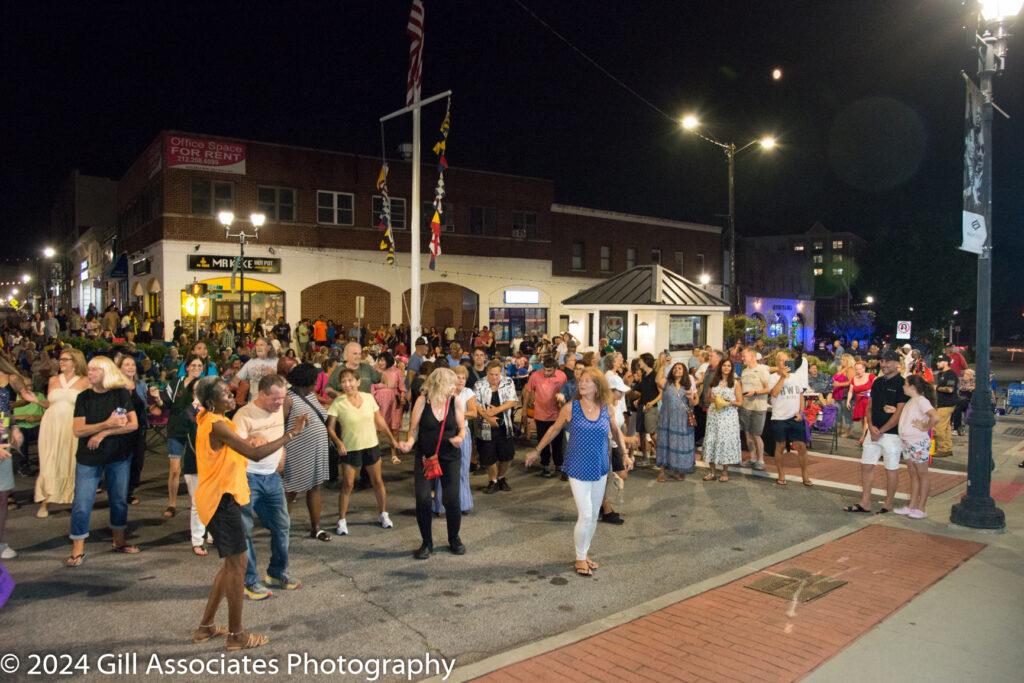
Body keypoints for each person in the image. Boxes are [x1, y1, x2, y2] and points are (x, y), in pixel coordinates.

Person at [191, 376, 307, 651]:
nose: (232, 395)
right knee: (238, 567)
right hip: (222, 501)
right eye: (225, 394)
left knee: (230, 567)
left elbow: (235, 453)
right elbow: (253, 455)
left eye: (230, 391)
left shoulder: (213, 419)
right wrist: (291, 434)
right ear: (210, 402)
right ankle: (236, 635)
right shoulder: (217, 425)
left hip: (222, 497)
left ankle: (205, 627)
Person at [525, 368, 630, 577]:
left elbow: (616, 431)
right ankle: (580, 557)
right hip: (577, 466)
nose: (582, 384)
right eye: (581, 381)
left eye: (588, 382)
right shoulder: (571, 408)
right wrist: (537, 450)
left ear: (598, 386)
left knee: (592, 517)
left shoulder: (606, 408)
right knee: (587, 513)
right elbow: (554, 429)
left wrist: (625, 454)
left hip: (600, 466)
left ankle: (584, 553)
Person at [66, 356, 140, 567]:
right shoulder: (84, 398)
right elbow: (78, 430)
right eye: (89, 370)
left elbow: (132, 424)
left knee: (118, 499)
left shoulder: (120, 394)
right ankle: (78, 547)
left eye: (95, 370)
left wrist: (102, 434)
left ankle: (119, 540)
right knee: (82, 503)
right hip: (89, 459)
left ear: (106, 372)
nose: (90, 373)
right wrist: (107, 424)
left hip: (118, 456)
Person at [233, 374, 299, 600]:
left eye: (283, 398)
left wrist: (283, 454)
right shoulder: (243, 416)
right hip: (248, 478)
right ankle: (250, 581)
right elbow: (238, 448)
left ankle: (277, 572)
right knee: (245, 531)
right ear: (261, 394)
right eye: (275, 399)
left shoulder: (281, 406)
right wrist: (252, 438)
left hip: (272, 478)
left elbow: (280, 429)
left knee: (282, 525)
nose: (280, 403)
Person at [398, 368, 466, 559]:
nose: (455, 387)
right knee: (423, 499)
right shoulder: (422, 401)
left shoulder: (455, 401)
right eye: (452, 384)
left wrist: (460, 438)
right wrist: (409, 443)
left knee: (451, 499)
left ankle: (454, 538)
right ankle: (426, 543)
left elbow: (462, 428)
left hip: (450, 456)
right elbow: (413, 430)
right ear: (440, 384)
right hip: (426, 457)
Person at [326, 368, 401, 536]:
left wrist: (391, 438)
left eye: (350, 380)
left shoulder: (368, 398)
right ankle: (342, 520)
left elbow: (379, 420)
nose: (347, 384)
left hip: (371, 445)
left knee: (377, 481)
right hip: (350, 448)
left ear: (358, 382)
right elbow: (330, 428)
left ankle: (383, 514)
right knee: (348, 485)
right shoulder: (338, 402)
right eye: (344, 382)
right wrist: (338, 442)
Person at [845, 350, 906, 515]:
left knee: (891, 468)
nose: (884, 364)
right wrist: (870, 426)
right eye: (882, 361)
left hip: (892, 434)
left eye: (887, 361)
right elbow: (869, 406)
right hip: (873, 432)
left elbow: (899, 411)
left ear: (897, 364)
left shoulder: (902, 383)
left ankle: (888, 503)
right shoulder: (878, 381)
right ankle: (865, 502)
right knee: (866, 465)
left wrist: (882, 430)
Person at [30, 348, 89, 518]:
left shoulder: (85, 381)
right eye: (60, 359)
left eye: (65, 359)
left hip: (71, 425)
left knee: (70, 460)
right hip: (50, 426)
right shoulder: (53, 380)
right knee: (49, 461)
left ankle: (72, 498)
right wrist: (35, 400)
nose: (61, 362)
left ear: (75, 361)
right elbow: (51, 404)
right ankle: (45, 501)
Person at [281, 364, 332, 541]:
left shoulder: (310, 395)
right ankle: (282, 532)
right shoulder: (288, 398)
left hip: (317, 449)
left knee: (315, 487)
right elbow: (280, 425)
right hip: (296, 451)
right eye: (314, 380)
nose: (317, 382)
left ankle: (316, 528)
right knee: (290, 490)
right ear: (306, 381)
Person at [163, 356, 205, 519]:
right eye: (193, 365)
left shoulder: (204, 386)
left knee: (195, 471)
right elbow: (166, 404)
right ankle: (172, 504)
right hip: (175, 429)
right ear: (186, 367)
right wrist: (158, 400)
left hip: (196, 431)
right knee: (174, 470)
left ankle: (195, 503)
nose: (196, 368)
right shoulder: (176, 382)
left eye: (199, 366)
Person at [432, 364, 477, 516]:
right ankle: (440, 506)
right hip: (445, 434)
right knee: (442, 471)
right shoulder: (443, 393)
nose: (461, 380)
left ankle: (463, 504)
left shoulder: (468, 392)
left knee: (463, 469)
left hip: (463, 433)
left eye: (464, 378)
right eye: (458, 377)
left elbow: (473, 413)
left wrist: (457, 417)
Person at [117, 355, 161, 505]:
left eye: (132, 365)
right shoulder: (114, 386)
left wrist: (155, 400)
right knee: (121, 461)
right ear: (119, 368)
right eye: (126, 365)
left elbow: (147, 406)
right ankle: (120, 491)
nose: (130, 367)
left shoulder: (140, 384)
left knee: (137, 462)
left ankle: (129, 490)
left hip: (139, 428)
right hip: (120, 430)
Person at [895, 375, 938, 519]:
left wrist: (925, 427)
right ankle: (912, 506)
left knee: (922, 474)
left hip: (917, 442)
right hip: (908, 442)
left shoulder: (921, 401)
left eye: (905, 384)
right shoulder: (912, 401)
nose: (903, 386)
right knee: (913, 474)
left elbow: (935, 417)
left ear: (912, 387)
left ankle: (921, 507)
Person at [768, 351, 811, 487]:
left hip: (795, 417)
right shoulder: (773, 377)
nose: (785, 363)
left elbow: (801, 395)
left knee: (802, 447)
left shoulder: (796, 377)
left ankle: (805, 475)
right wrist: (783, 378)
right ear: (777, 363)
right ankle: (781, 474)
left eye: (787, 360)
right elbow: (774, 393)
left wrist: (801, 412)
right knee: (780, 446)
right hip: (779, 417)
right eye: (782, 360)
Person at [474, 360, 518, 493]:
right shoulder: (479, 384)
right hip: (486, 426)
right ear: (487, 373)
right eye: (491, 374)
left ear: (501, 373)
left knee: (507, 455)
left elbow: (512, 401)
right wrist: (489, 418)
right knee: (488, 456)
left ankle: (501, 478)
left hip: (505, 425)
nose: (494, 377)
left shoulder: (508, 382)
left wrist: (496, 410)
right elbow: (476, 405)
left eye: (497, 374)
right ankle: (492, 480)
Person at [522, 356, 567, 478]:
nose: (546, 373)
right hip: (541, 415)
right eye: (545, 370)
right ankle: (545, 465)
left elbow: (566, 392)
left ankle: (559, 465)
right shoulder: (535, 376)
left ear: (555, 369)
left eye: (550, 371)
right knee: (543, 441)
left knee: (558, 442)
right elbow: (528, 392)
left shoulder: (562, 376)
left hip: (557, 415)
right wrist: (524, 409)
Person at [701, 357, 742, 481]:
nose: (726, 368)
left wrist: (728, 402)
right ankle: (712, 472)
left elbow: (740, 402)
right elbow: (707, 398)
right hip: (714, 416)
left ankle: (724, 472)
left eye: (729, 366)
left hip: (728, 417)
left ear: (731, 368)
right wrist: (714, 399)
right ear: (720, 367)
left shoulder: (735, 383)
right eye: (724, 365)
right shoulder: (714, 381)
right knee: (711, 440)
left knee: (725, 442)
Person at [654, 362, 697, 481]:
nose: (677, 370)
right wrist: (662, 364)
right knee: (664, 443)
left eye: (680, 368)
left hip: (682, 421)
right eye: (675, 368)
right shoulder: (667, 383)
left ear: (684, 372)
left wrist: (690, 398)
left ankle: (678, 470)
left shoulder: (687, 386)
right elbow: (658, 379)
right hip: (666, 419)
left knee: (679, 445)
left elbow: (693, 405)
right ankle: (662, 472)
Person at [738, 347, 771, 471]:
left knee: (756, 435)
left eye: (744, 356)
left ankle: (760, 460)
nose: (742, 358)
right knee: (747, 434)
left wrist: (755, 392)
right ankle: (752, 458)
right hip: (745, 407)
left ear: (752, 356)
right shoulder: (744, 371)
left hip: (758, 408)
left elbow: (769, 388)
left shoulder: (762, 369)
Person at [371, 351, 405, 463]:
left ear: (388, 360)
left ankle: (394, 455)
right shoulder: (375, 371)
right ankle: (376, 456)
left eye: (382, 360)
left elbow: (402, 388)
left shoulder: (397, 371)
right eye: (379, 360)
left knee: (394, 429)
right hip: (378, 404)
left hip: (394, 403)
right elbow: (371, 387)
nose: (380, 362)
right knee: (377, 429)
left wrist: (402, 398)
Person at [233, 338, 277, 407]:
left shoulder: (276, 361)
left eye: (262, 345)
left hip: (272, 402)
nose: (258, 347)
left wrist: (274, 373)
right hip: (254, 402)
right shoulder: (251, 362)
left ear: (269, 347)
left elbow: (284, 381)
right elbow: (236, 379)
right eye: (257, 345)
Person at [932, 355, 958, 458]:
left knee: (939, 427)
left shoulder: (950, 374)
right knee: (946, 427)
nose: (937, 364)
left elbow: (950, 389)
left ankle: (942, 449)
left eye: (939, 361)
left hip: (947, 404)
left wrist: (936, 387)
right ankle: (947, 448)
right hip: (944, 403)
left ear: (946, 362)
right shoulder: (942, 374)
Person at [848, 361, 875, 439]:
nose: (858, 371)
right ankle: (865, 436)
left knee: (867, 420)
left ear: (864, 369)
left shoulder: (871, 376)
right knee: (863, 421)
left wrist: (870, 392)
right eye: (856, 369)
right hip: (859, 402)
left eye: (860, 369)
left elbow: (879, 386)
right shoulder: (853, 379)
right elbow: (850, 391)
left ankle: (863, 438)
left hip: (869, 401)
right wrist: (848, 401)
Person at [832, 355, 856, 437]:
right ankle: (838, 429)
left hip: (845, 394)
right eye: (841, 359)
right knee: (838, 413)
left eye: (844, 360)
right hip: (837, 394)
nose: (841, 361)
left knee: (846, 414)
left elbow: (851, 382)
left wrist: (839, 384)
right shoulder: (841, 369)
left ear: (848, 361)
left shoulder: (850, 370)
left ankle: (848, 431)